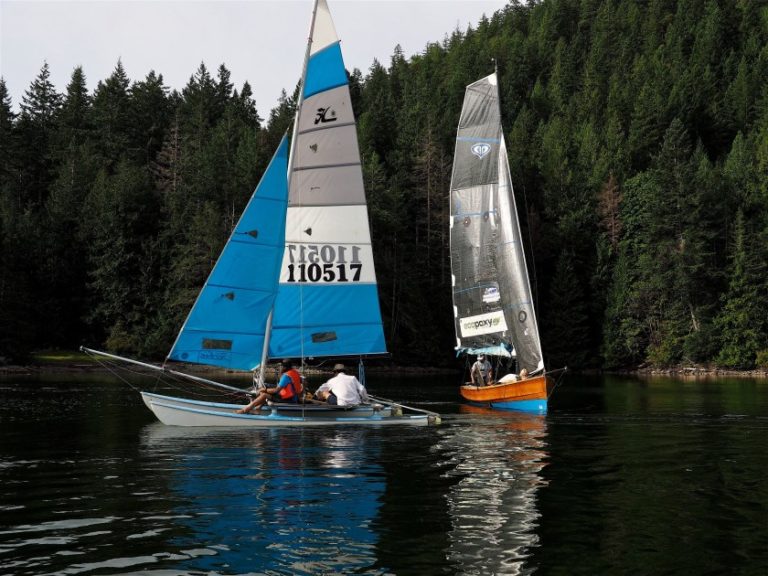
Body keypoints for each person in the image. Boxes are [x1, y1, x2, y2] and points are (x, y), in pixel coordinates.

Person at [236, 359, 303, 414]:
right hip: (294, 397)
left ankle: (246, 410)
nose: (280, 367)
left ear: (284, 367)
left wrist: (264, 390)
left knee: (264, 394)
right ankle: (258, 409)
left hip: (288, 400)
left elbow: (276, 390)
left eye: (280, 366)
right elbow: (302, 384)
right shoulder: (295, 373)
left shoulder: (286, 376)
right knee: (265, 389)